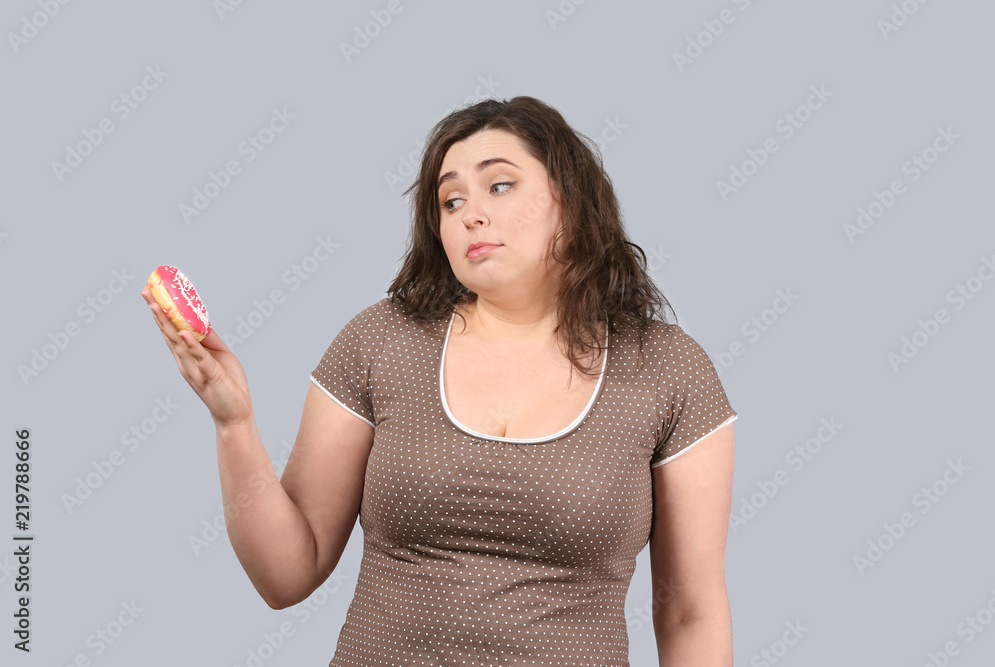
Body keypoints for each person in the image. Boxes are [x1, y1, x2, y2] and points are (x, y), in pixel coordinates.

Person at [141, 95, 738, 666]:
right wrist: (233, 423)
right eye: (450, 201)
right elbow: (286, 575)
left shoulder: (668, 370)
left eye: (499, 185)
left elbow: (691, 612)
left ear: (572, 201)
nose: (469, 212)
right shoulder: (379, 341)